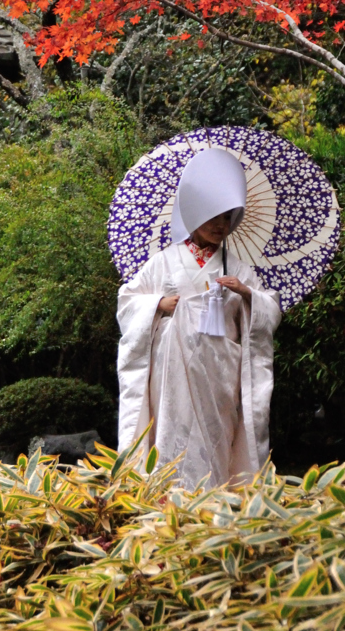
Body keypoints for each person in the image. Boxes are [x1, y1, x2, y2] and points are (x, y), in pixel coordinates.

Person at [116, 147, 282, 489]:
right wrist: (159, 305)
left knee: (217, 430)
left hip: (220, 369)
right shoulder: (163, 261)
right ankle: (168, 499)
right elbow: (128, 302)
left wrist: (247, 294)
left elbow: (270, 309)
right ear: (194, 215)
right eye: (213, 217)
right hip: (172, 369)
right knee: (173, 425)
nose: (221, 226)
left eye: (227, 218)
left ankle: (217, 497)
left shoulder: (237, 268)